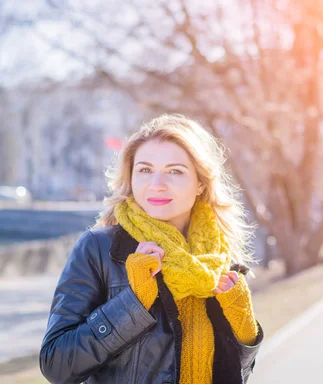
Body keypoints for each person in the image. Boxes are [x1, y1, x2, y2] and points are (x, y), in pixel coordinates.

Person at [40, 114, 263, 384]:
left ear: (200, 183)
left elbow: (233, 374)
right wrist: (133, 303)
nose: (157, 184)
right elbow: (56, 365)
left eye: (175, 171)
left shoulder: (220, 259)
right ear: (131, 178)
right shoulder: (100, 249)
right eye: (145, 170)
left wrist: (244, 329)